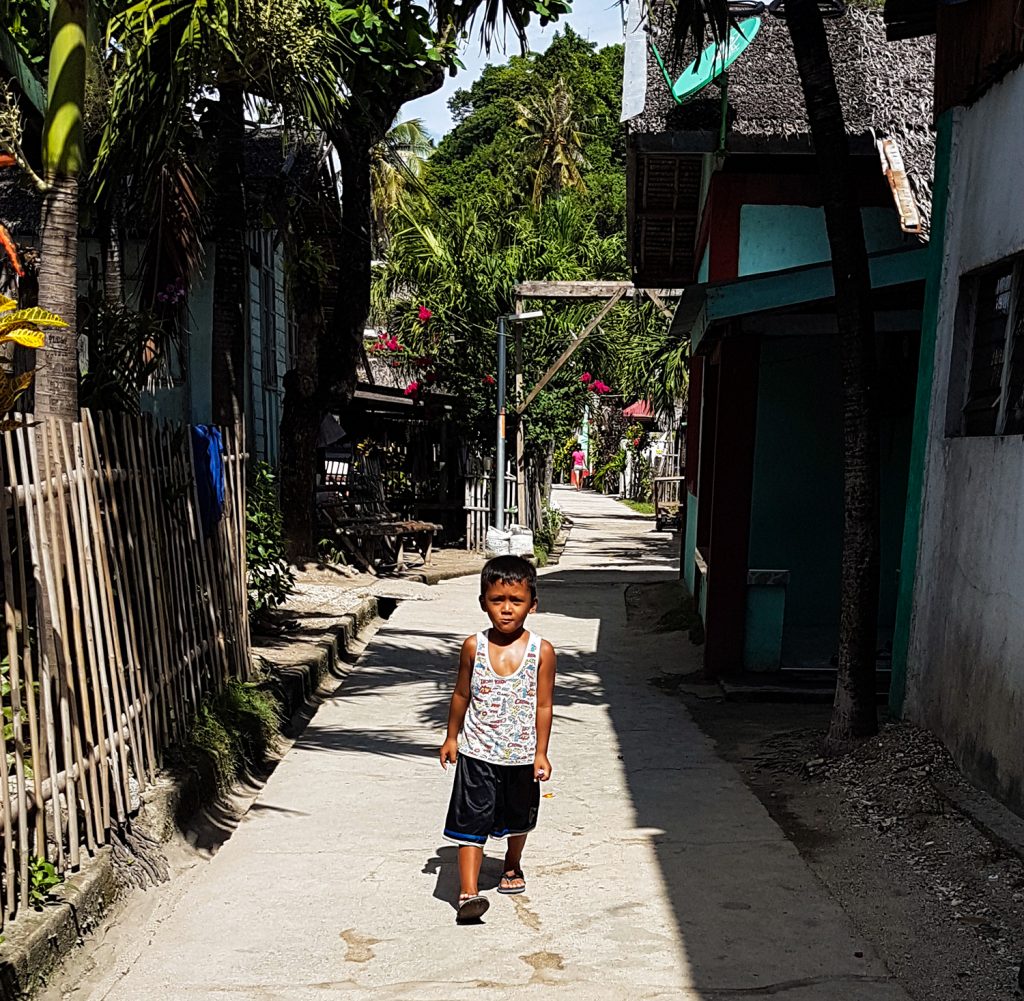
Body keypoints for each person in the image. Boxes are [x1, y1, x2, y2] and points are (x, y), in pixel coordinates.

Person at [439, 555, 557, 923]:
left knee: (518, 819)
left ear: (532, 605)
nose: (506, 610)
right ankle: (468, 893)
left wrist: (541, 753)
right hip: (477, 753)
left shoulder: (543, 652)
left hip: (521, 756)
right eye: (497, 600)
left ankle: (511, 863)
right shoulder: (473, 647)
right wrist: (451, 737)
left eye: (516, 601)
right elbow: (461, 695)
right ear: (483, 603)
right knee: (469, 823)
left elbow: (543, 706)